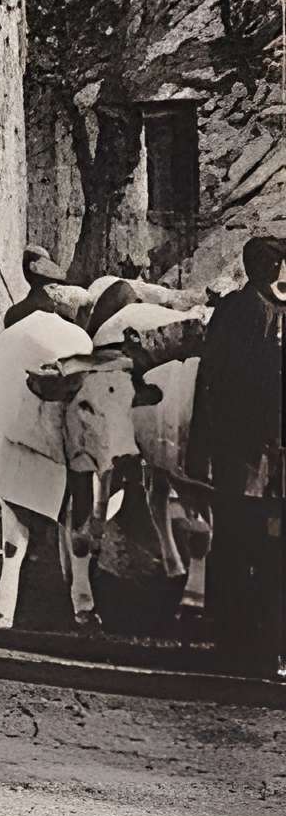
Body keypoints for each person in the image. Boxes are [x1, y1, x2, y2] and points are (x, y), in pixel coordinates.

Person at [188, 235, 285, 681]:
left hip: (232, 453)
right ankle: (263, 646)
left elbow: (206, 381)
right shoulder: (273, 319)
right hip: (265, 458)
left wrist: (200, 445)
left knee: (230, 541)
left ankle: (228, 638)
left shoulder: (227, 311)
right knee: (267, 548)